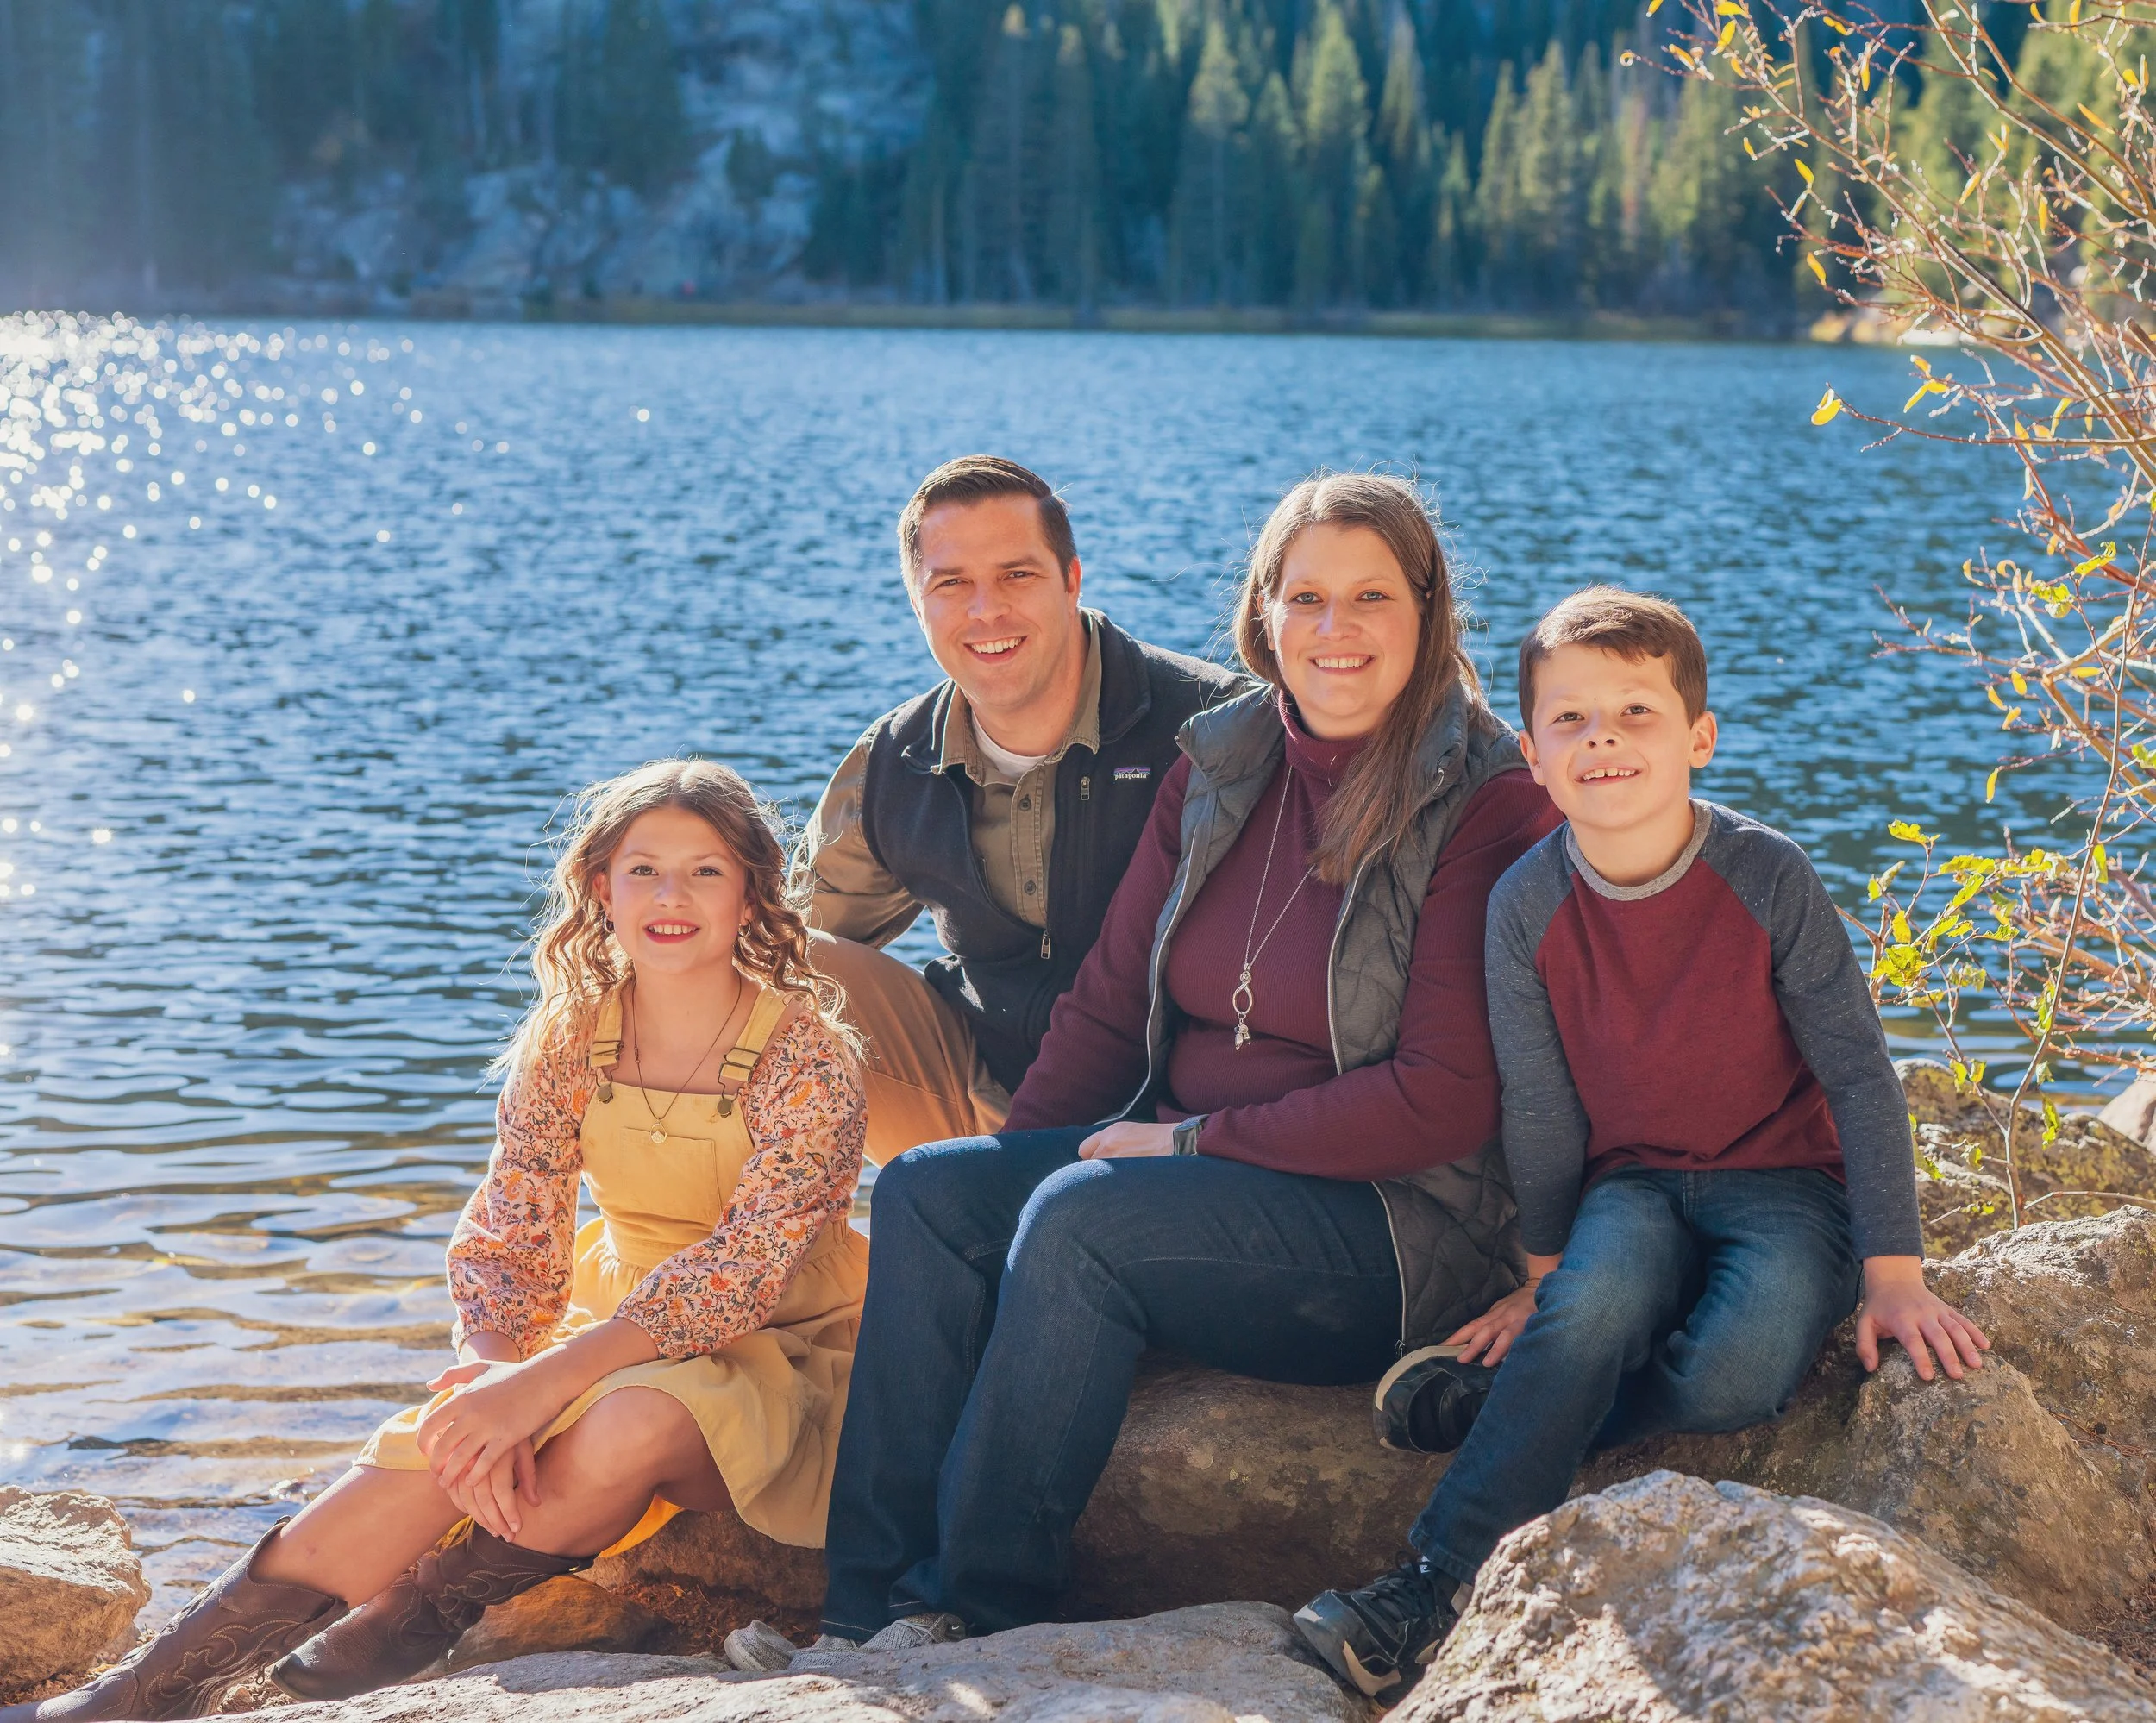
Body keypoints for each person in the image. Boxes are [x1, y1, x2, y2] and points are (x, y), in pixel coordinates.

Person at [738, 471, 1561, 1670]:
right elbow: (1112, 999)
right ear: (1262, 616)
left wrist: (1183, 1146)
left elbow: (1444, 1095)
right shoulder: (1222, 761)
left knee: (1082, 1220)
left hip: (1395, 1225)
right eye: (1308, 598)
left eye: (1371, 598)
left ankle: (973, 1610)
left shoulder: (1482, 795)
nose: (1336, 631)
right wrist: (1013, 1167)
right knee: (930, 1187)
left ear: (1426, 613)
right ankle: (862, 1620)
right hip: (1204, 1189)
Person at [9, 761, 868, 1721]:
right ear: (600, 888)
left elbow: (739, 1277)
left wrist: (537, 1387)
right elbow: (513, 1230)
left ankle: (421, 1611)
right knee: (442, 1436)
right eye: (643, 870)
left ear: (751, 891)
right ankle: (140, 1696)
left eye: (705, 872)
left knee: (628, 1414)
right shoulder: (571, 1033)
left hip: (781, 1352)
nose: (671, 898)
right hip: (606, 1321)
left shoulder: (808, 1057)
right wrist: (489, 1374)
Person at [1294, 588, 1991, 1703]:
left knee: (1738, 1372)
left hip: (1783, 1182)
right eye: (1569, 719)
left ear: (1699, 738)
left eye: (1634, 711)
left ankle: (1514, 1410)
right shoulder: (1525, 903)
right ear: (1530, 752)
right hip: (1634, 1183)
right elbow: (1539, 1103)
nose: (1602, 737)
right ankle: (1428, 1585)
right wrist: (1542, 1280)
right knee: (1593, 1305)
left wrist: (1894, 1270)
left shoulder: (1770, 877)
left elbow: (1860, 1072)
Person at [797, 454, 1245, 1166]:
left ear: (1071, 581)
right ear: (918, 601)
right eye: (952, 583)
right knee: (766, 967)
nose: (986, 610)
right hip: (977, 1101)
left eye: (1017, 574)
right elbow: (788, 936)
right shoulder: (895, 761)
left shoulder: (1213, 726)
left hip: (1172, 1121)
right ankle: (749, 1251)